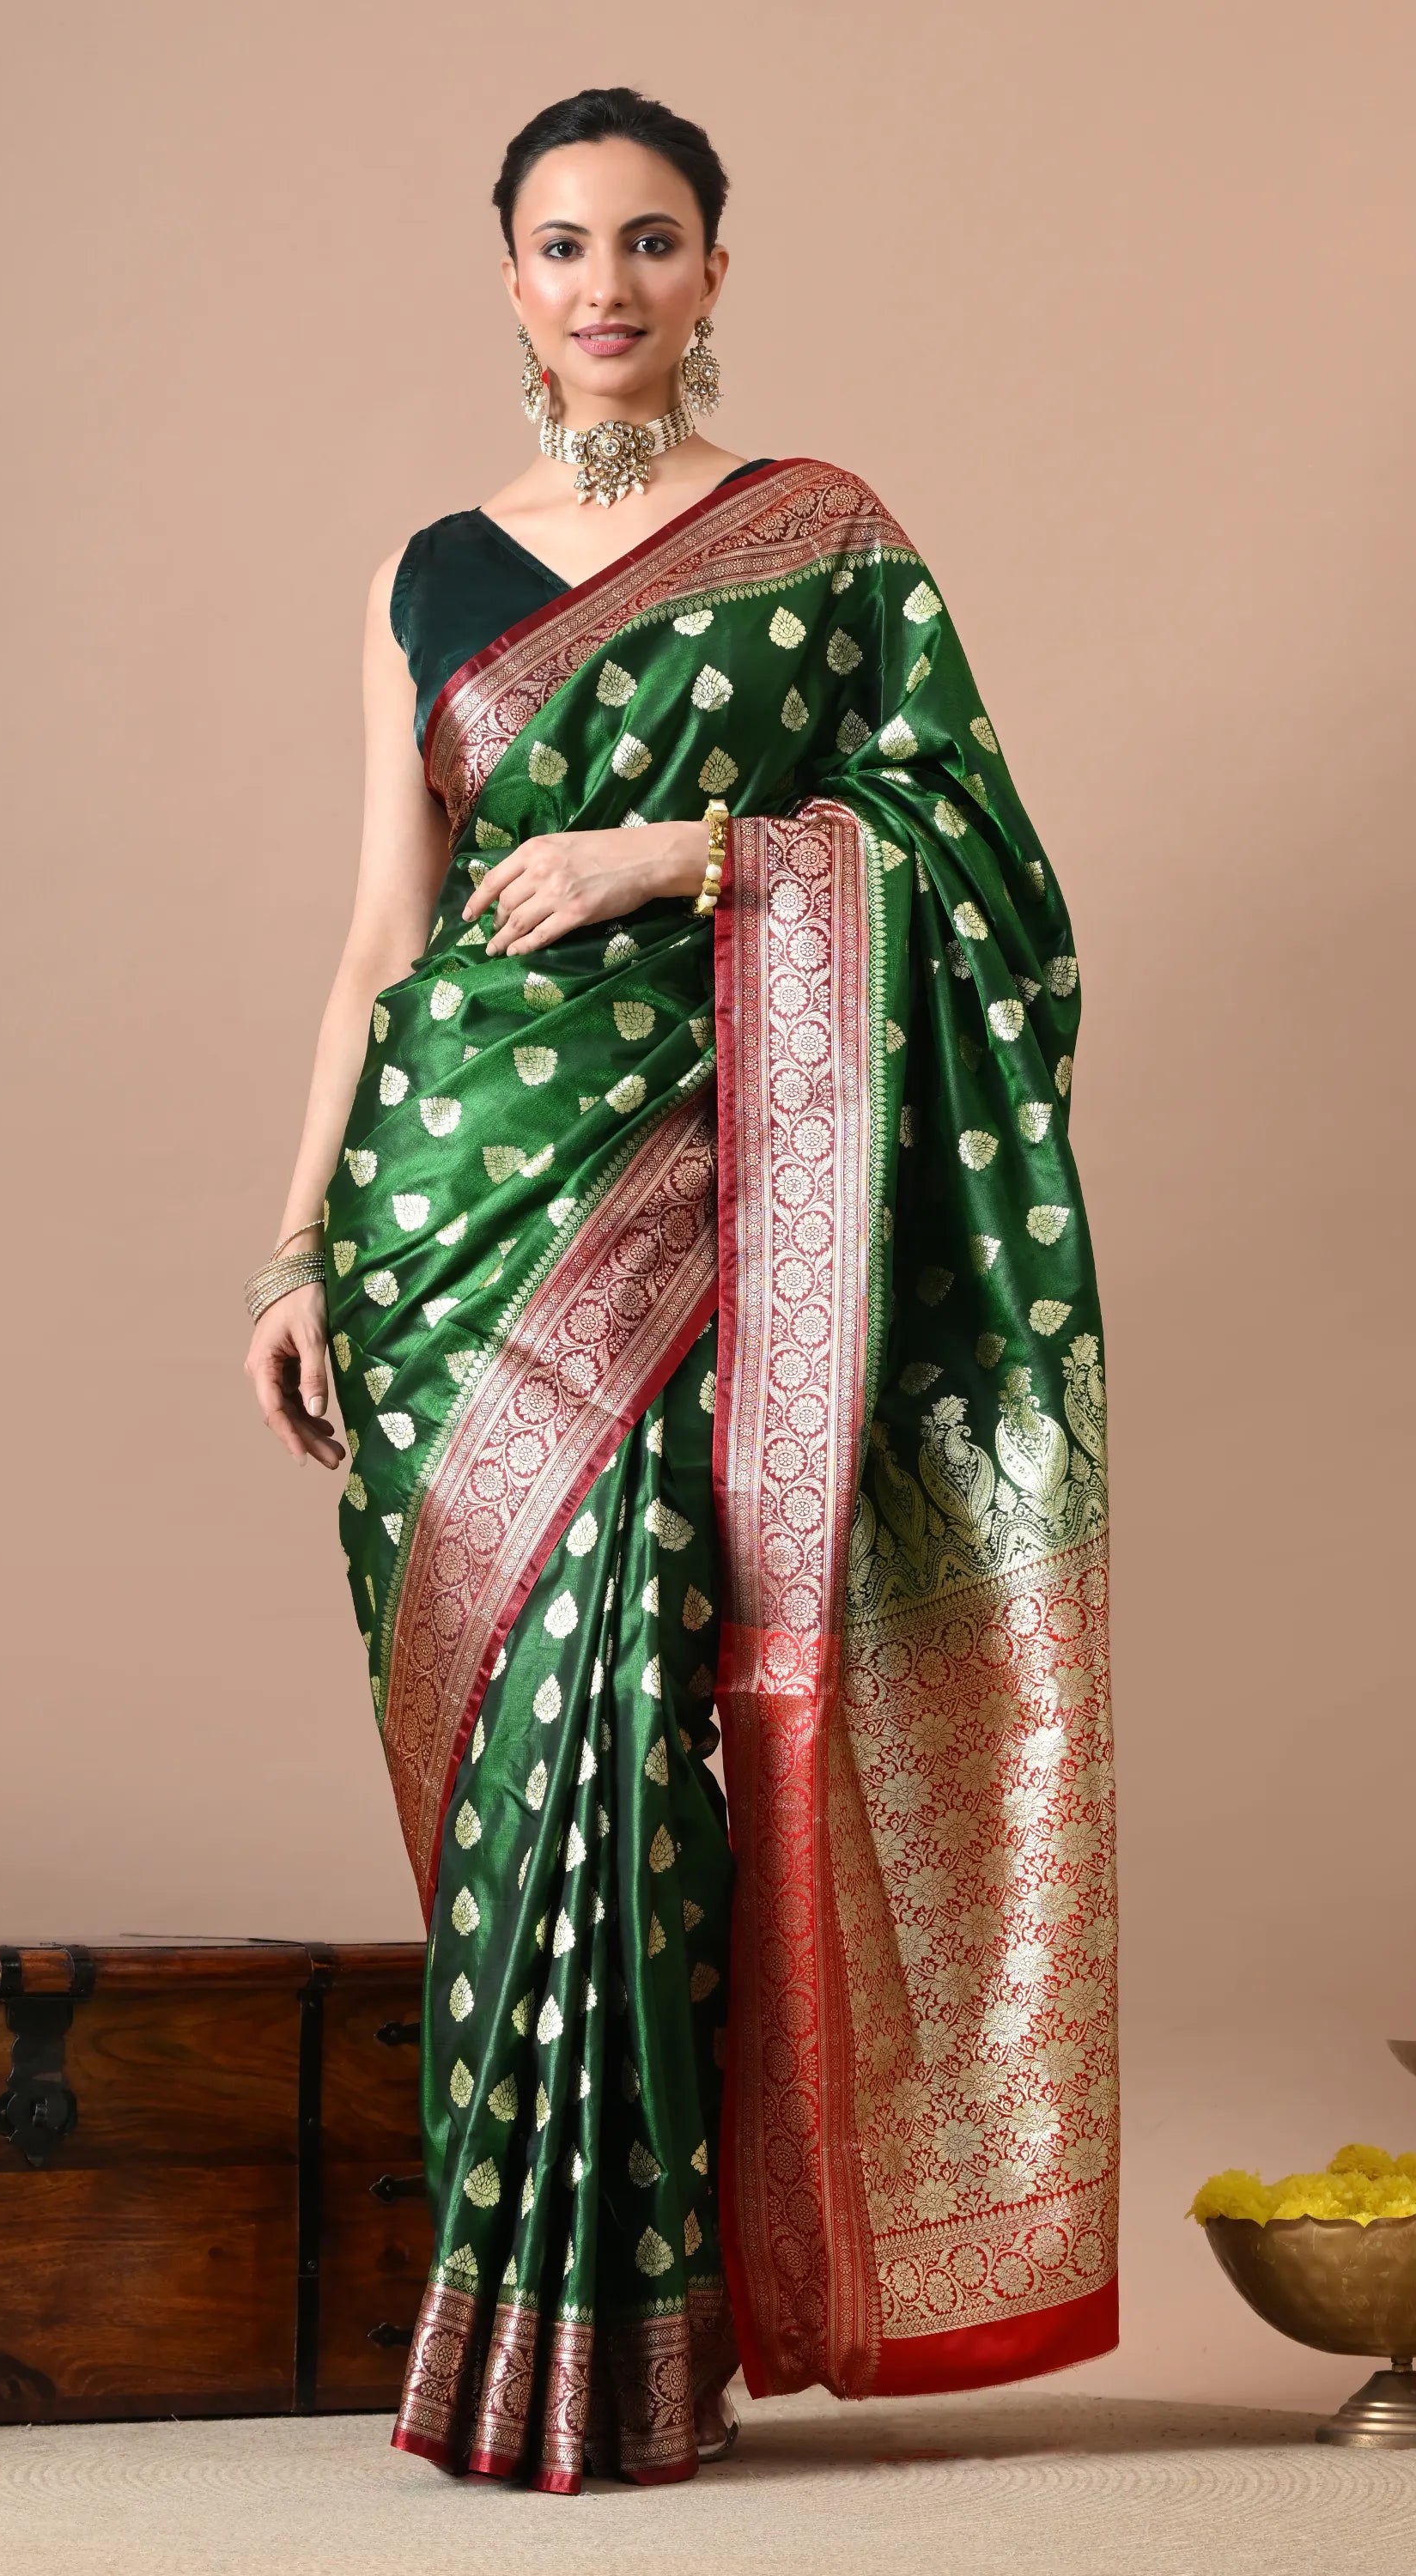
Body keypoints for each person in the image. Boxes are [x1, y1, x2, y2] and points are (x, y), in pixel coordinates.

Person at [243, 86, 1116, 2495]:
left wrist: (687, 847)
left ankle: (629, 2349)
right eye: (561, 244)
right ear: (503, 275)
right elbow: (370, 946)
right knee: (510, 1763)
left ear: (716, 271)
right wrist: (300, 1242)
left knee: (629, 1718)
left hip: (693, 1192)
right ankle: (498, 2329)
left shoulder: (821, 542)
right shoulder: (429, 573)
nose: (606, 284)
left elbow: (983, 879)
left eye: (652, 242)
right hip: (441, 1217)